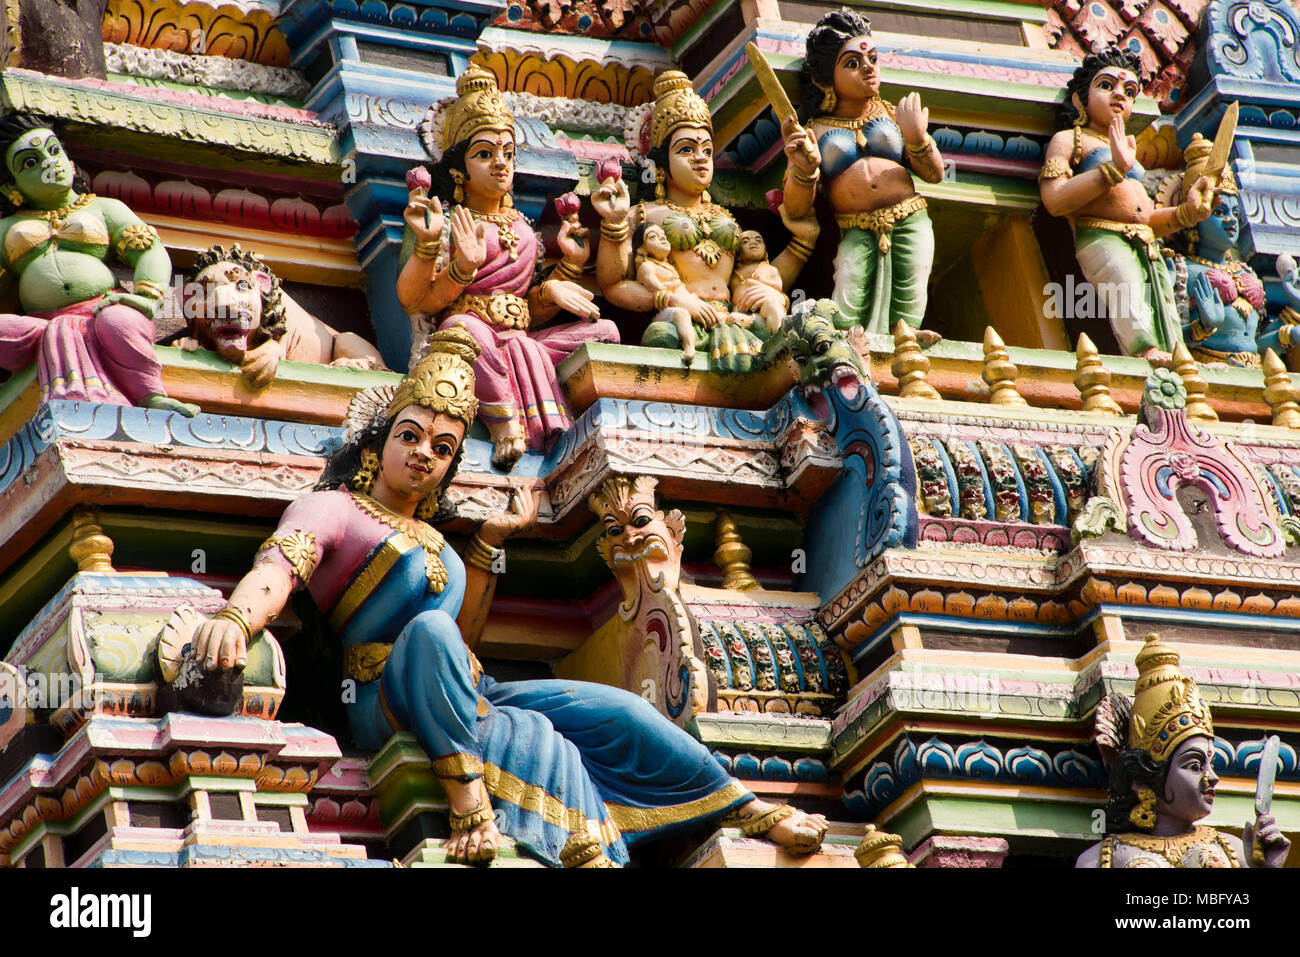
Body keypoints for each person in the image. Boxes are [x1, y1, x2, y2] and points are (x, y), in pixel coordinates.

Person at [191, 327, 829, 867]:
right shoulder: (332, 507)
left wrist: (492, 542)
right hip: (383, 690)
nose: (422, 456)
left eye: (442, 448)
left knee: (616, 712)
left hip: (466, 686)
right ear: (379, 439)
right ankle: (470, 799)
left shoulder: (438, 541)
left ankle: (746, 807)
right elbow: (279, 569)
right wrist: (236, 617)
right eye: (409, 436)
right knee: (435, 643)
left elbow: (462, 638)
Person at [396, 67, 619, 471]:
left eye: (508, 153)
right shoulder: (443, 221)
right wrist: (458, 265)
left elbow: (529, 310)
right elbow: (416, 300)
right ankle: (505, 427)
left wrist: (566, 271)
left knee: (606, 333)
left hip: (522, 339)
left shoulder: (525, 228)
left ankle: (577, 420)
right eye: (485, 154)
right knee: (461, 329)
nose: (501, 163)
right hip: (474, 340)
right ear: (459, 169)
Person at [594, 71, 819, 374]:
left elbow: (759, 274)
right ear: (660, 162)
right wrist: (669, 296)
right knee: (662, 337)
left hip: (738, 319)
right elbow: (613, 284)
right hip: (682, 318)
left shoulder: (725, 217)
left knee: (798, 332)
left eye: (707, 150)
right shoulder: (643, 213)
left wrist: (800, 246)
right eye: (686, 149)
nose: (700, 158)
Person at [0, 113, 197, 415]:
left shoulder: (104, 208)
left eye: (53, 151)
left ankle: (150, 395)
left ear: (70, 160)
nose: (48, 163)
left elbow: (150, 250)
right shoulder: (6, 228)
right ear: (10, 187)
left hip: (101, 311)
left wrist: (147, 298)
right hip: (37, 326)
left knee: (118, 322)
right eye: (30, 162)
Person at [1039, 47, 1216, 367]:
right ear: (1080, 99)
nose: (1119, 94)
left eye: (1130, 90)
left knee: (1160, 300)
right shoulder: (1070, 140)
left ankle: (1176, 356)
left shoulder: (1129, 152)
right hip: (1101, 235)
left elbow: (1147, 217)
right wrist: (1112, 171)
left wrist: (1188, 213)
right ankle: (1143, 353)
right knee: (1127, 290)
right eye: (1107, 86)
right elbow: (1054, 200)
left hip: (1145, 240)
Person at [785, 9, 942, 340]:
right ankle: (851, 351)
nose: (869, 67)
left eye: (872, 58)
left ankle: (907, 342)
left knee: (912, 284)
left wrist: (916, 137)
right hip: (854, 226)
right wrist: (804, 168)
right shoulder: (813, 130)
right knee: (849, 293)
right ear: (825, 79)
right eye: (853, 63)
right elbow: (797, 208)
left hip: (909, 216)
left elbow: (936, 174)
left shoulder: (892, 113)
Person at [1077, 633, 1289, 868]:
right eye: (1195, 766)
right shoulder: (1099, 859)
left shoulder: (1234, 851)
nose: (1213, 778)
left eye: (1211, 763)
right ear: (1142, 778)